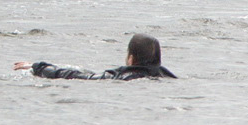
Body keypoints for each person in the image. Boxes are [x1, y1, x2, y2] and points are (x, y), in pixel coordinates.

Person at [13, 34, 177, 80]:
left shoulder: (121, 77)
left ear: (131, 59)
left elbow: (77, 75)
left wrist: (38, 67)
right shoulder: (167, 76)